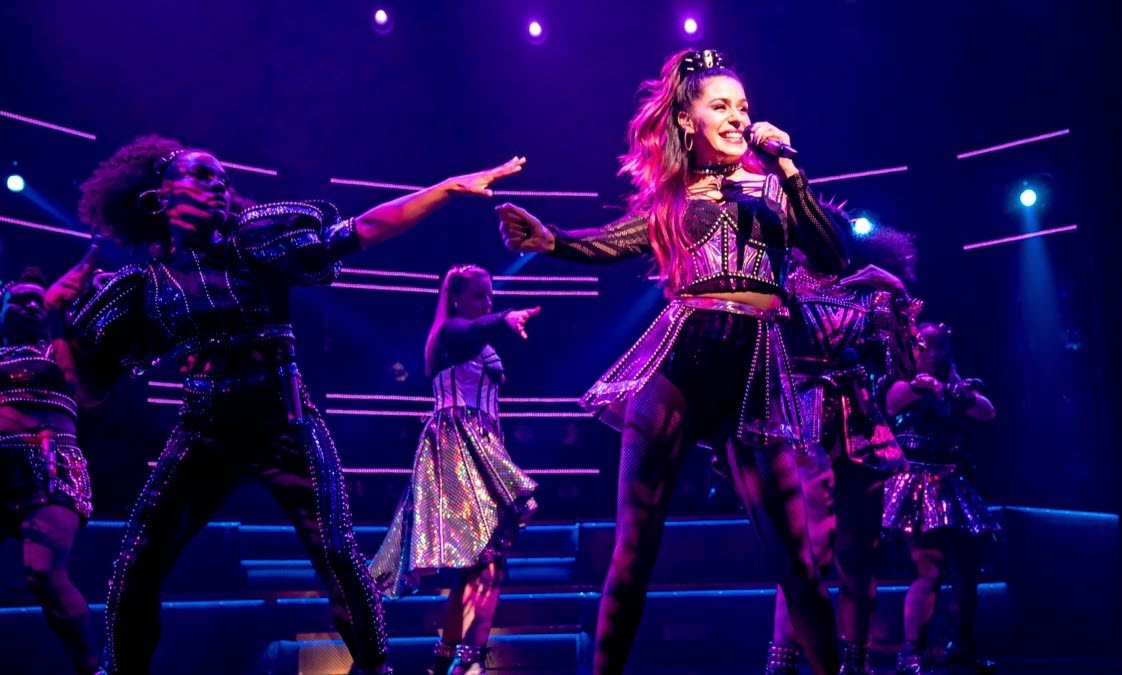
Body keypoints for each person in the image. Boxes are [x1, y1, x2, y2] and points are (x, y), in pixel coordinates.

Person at [67, 134, 524, 675]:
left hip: (285, 423)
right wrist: (57, 324)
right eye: (202, 174)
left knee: (336, 552)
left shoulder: (255, 245)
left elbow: (362, 229)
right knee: (137, 559)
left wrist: (445, 188)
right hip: (203, 430)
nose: (219, 185)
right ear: (158, 196)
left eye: (223, 178)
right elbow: (87, 384)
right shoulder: (146, 287)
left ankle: (375, 669)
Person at [496, 49, 851, 674]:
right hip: (681, 358)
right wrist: (550, 240)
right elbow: (607, 243)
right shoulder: (672, 198)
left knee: (795, 557)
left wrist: (789, 168)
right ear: (688, 120)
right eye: (721, 106)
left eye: (743, 107)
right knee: (635, 546)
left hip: (755, 366)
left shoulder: (774, 187)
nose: (737, 117)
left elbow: (831, 259)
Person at [764, 224, 924, 675]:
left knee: (859, 555)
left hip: (861, 425)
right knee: (810, 547)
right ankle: (783, 663)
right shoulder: (780, 284)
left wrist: (896, 294)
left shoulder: (867, 293)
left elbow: (908, 369)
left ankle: (855, 664)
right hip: (800, 419)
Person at [370, 264, 540, 675]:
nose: (487, 302)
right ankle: (468, 659)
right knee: (489, 560)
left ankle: (447, 659)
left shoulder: (471, 338)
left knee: (482, 561)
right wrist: (505, 317)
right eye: (479, 295)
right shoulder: (450, 334)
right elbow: (471, 331)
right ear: (456, 298)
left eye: (491, 295)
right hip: (457, 443)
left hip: (482, 444)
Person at [0, 264, 104, 674]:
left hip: (50, 465)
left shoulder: (62, 353)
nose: (29, 306)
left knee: (42, 572)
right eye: (18, 300)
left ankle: (92, 669)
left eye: (37, 301)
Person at [881, 321, 1000, 674]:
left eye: (939, 347)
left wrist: (948, 391)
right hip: (916, 483)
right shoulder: (899, 382)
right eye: (925, 346)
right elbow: (892, 403)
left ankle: (962, 646)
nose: (933, 354)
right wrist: (923, 387)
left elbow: (987, 411)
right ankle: (911, 653)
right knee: (929, 567)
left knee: (967, 572)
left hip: (956, 483)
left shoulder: (963, 388)